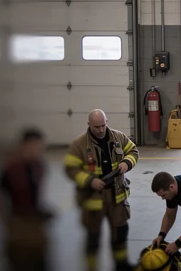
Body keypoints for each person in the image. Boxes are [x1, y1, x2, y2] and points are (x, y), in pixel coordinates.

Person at [64, 109, 139, 271]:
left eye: (103, 125)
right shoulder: (80, 144)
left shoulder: (118, 137)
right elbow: (71, 168)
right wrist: (89, 181)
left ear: (107, 122)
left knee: (120, 235)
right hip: (93, 200)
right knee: (93, 239)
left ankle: (121, 266)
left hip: (117, 196)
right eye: (96, 126)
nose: (100, 130)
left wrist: (127, 162)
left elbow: (133, 151)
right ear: (89, 125)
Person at [0, 128, 51, 271]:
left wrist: (42, 211)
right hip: (18, 224)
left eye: (38, 147)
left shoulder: (40, 166)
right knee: (19, 263)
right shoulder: (11, 169)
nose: (35, 151)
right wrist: (8, 224)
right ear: (23, 145)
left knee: (41, 262)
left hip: (36, 225)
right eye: (32, 146)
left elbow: (36, 194)